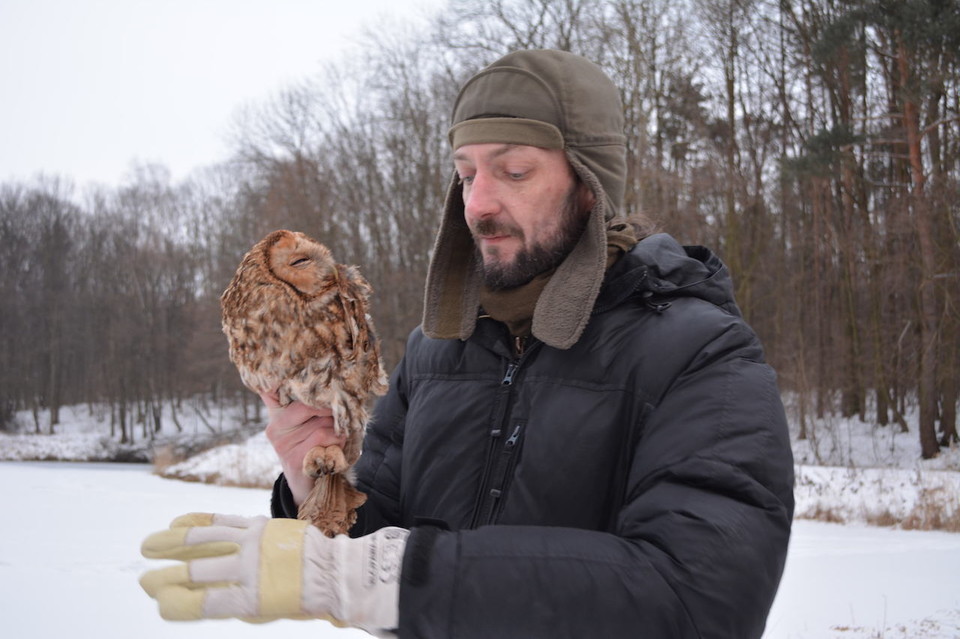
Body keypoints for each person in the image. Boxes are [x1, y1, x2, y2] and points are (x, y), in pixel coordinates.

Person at [140, 49, 795, 638]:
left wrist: (389, 576)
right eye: (465, 171)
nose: (477, 203)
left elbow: (700, 599)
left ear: (591, 185)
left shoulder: (700, 354)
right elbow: (375, 540)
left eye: (513, 169)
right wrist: (315, 481)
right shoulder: (437, 350)